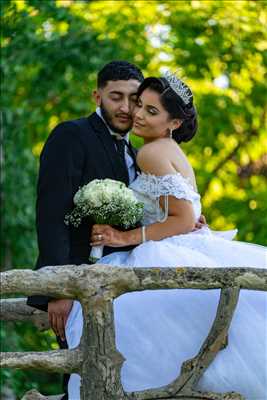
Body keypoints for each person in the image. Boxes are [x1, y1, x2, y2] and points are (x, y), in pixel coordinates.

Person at [66, 75, 267, 398]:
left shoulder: (151, 153)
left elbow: (184, 218)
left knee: (137, 334)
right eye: (139, 105)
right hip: (186, 243)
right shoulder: (166, 148)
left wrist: (121, 237)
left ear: (173, 122)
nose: (139, 115)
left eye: (152, 111)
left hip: (166, 249)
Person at [26, 60, 144, 397]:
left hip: (122, 287)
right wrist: (59, 286)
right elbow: (51, 213)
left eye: (133, 98)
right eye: (115, 96)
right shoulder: (71, 135)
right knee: (82, 374)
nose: (125, 107)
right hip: (76, 282)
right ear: (97, 95)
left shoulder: (135, 152)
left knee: (121, 374)